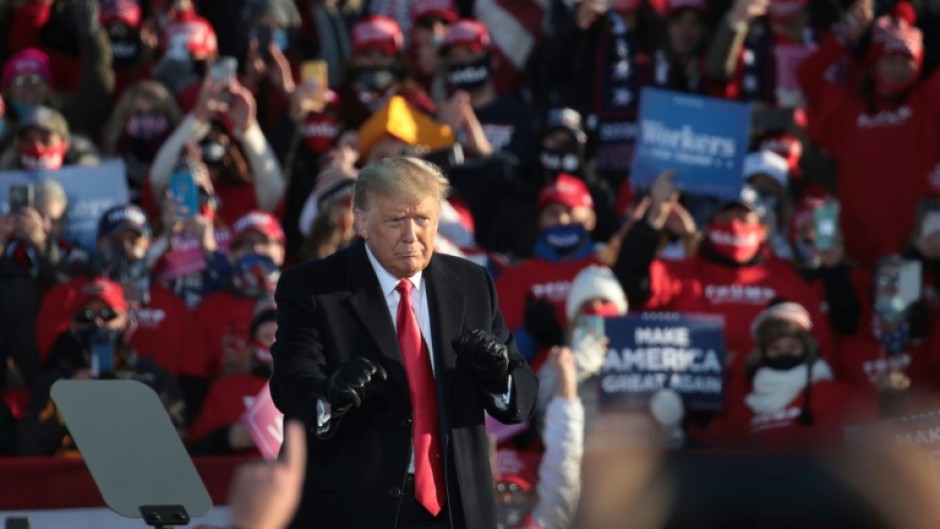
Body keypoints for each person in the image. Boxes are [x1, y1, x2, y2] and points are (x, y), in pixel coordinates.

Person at [270, 156, 538, 528]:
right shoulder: (313, 288)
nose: (411, 235)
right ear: (360, 222)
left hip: (456, 512)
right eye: (396, 220)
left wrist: (500, 379)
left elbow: (523, 396)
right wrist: (328, 395)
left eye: (423, 219)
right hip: (353, 511)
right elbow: (291, 383)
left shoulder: (473, 284)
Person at [17, 277, 186, 456]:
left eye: (107, 315)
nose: (97, 323)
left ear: (125, 321)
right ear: (73, 326)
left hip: (132, 478)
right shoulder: (53, 384)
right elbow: (27, 448)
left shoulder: (153, 378)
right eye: (86, 317)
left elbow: (175, 446)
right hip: (70, 479)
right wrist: (67, 402)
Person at [496, 174, 604, 370]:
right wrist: (529, 335)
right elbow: (499, 359)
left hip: (604, 386)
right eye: (552, 213)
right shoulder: (516, 276)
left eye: (569, 211)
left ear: (591, 218)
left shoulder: (606, 268)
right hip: (542, 389)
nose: (562, 220)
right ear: (540, 221)